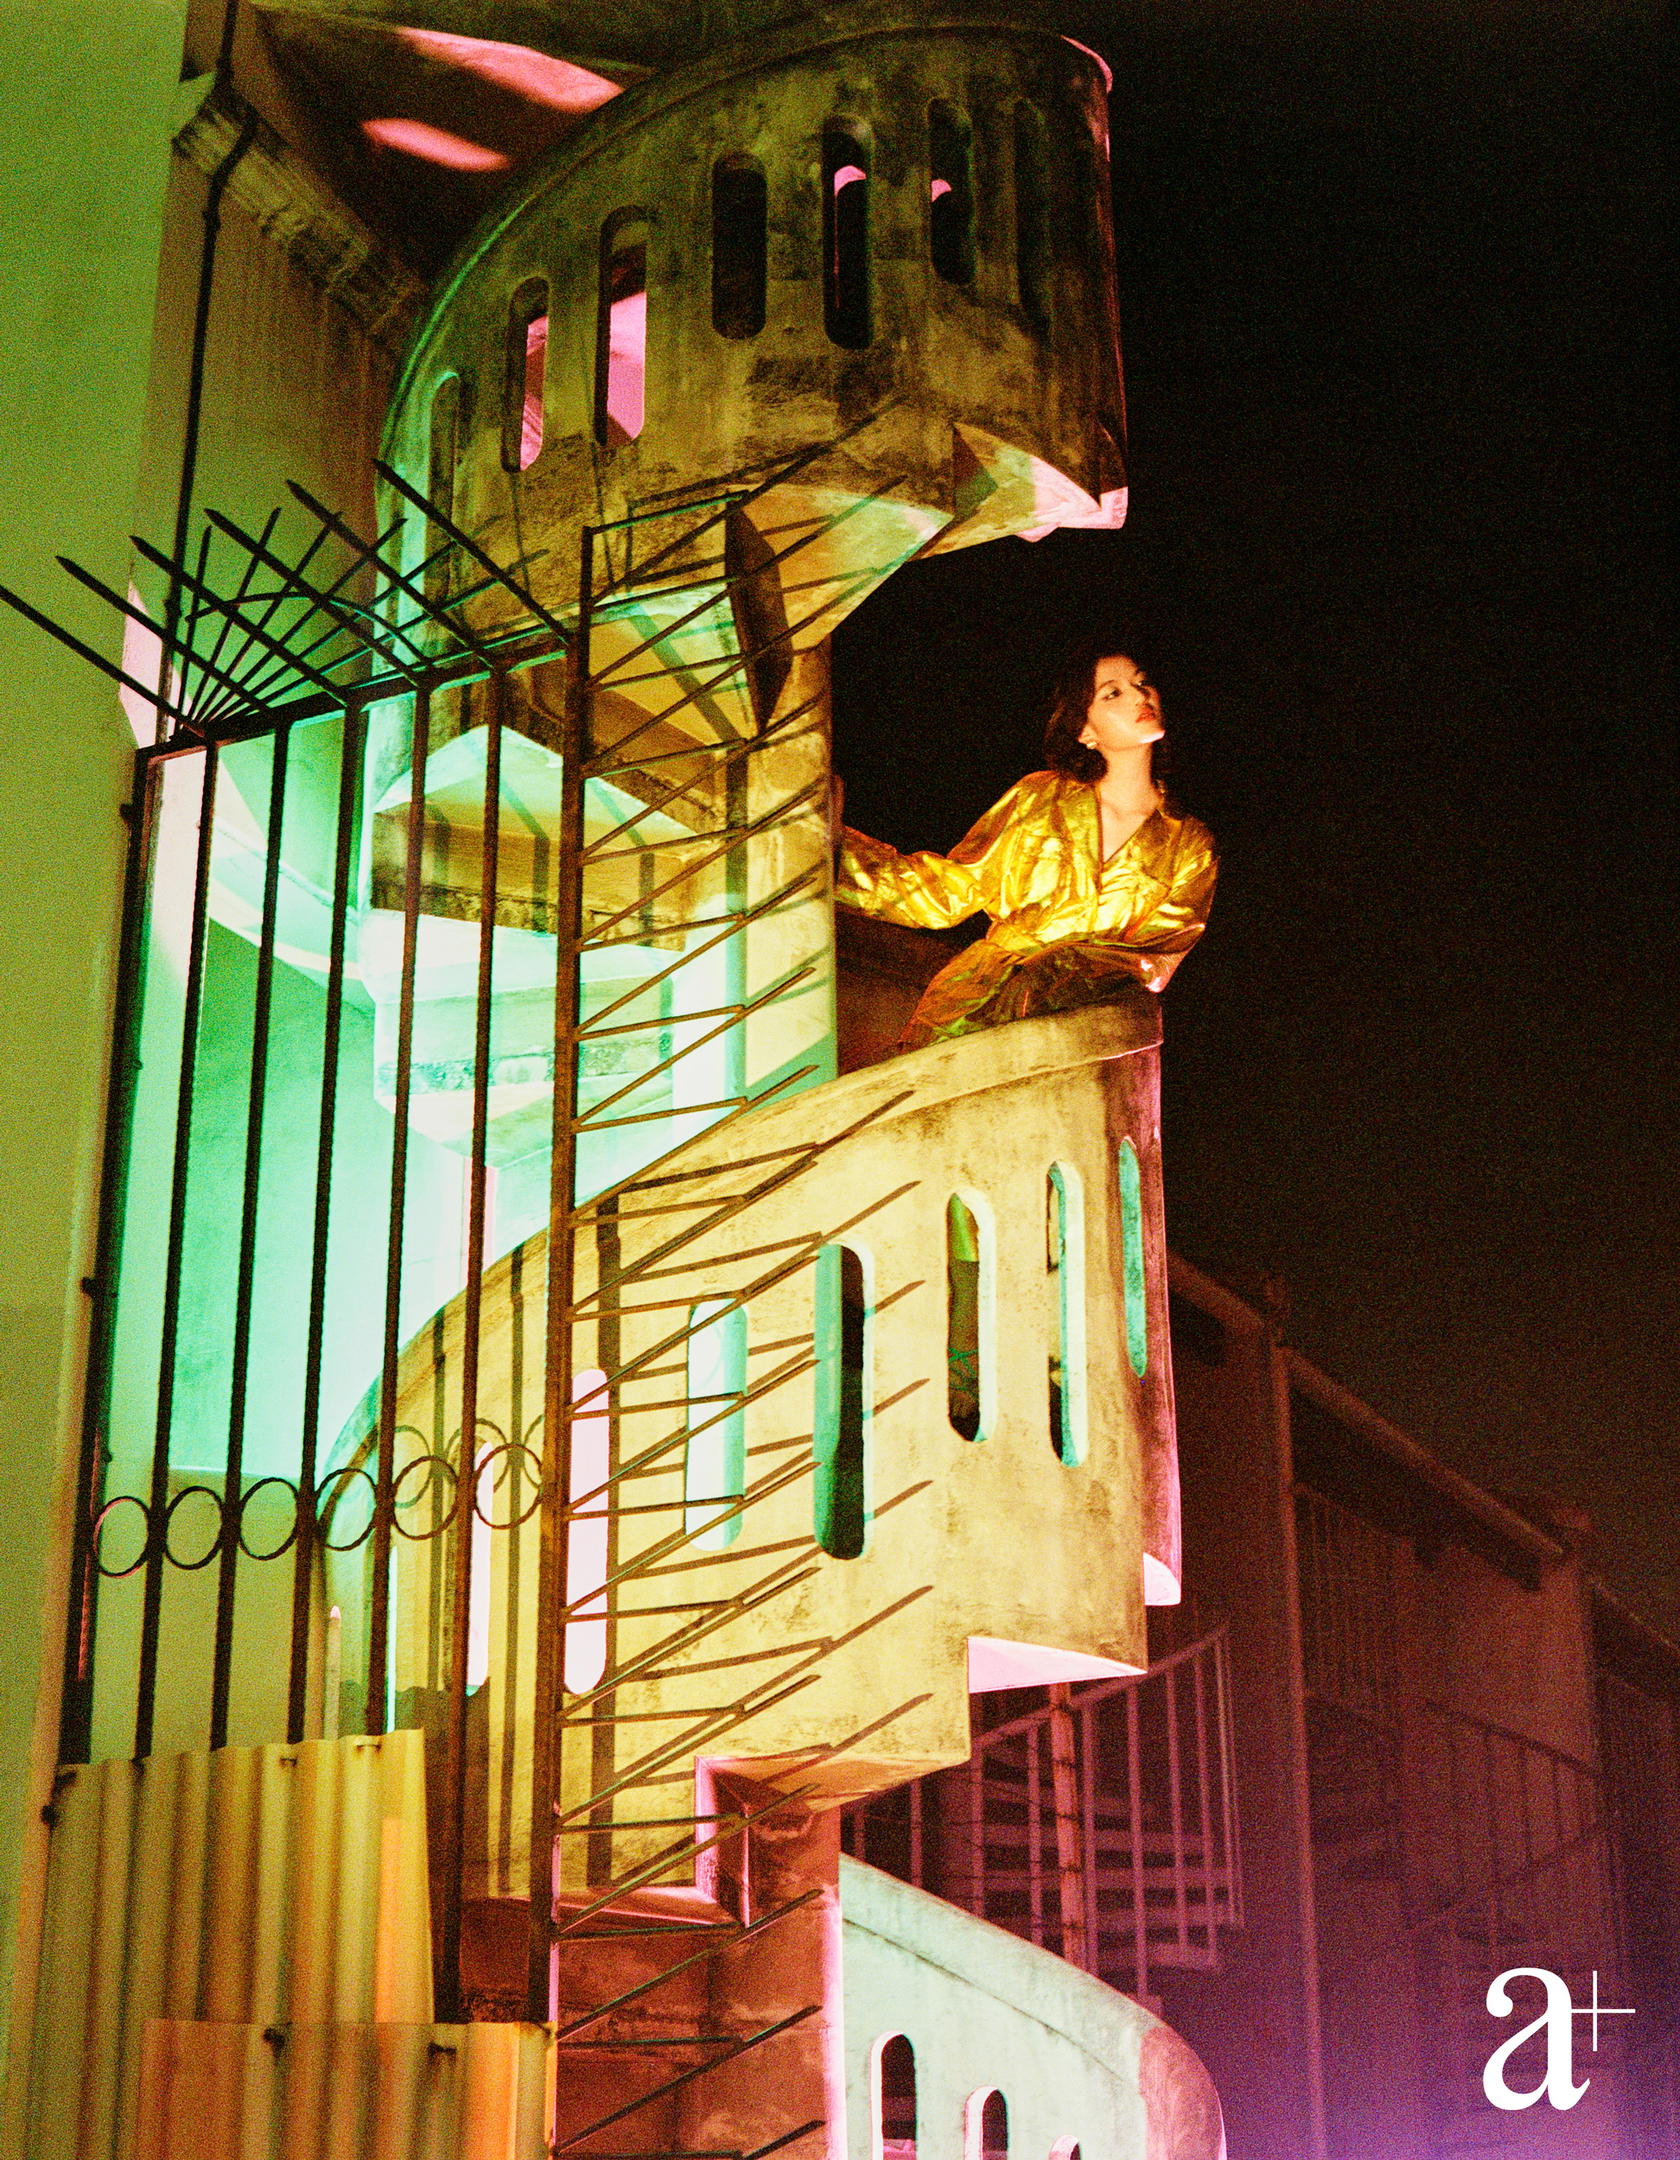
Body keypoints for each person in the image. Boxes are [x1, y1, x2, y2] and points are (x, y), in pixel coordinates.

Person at [835, 645, 1218, 1050]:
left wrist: (1055, 972)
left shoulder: (1190, 844)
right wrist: (827, 851)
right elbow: (949, 890)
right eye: (1113, 693)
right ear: (1085, 731)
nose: (1141, 696)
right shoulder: (1039, 797)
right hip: (976, 1008)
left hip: (1082, 1035)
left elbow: (1156, 956)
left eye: (1142, 683)